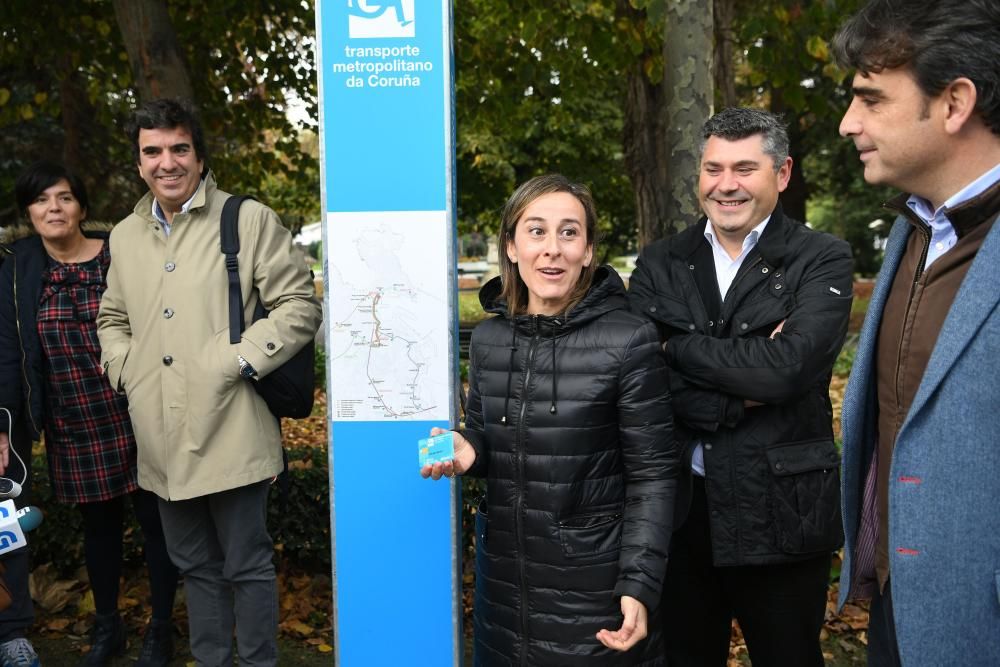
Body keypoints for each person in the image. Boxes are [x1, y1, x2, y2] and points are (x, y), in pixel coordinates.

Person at [96, 98, 322, 666]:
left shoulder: (247, 219)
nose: (166, 162)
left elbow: (298, 303)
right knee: (193, 565)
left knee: (246, 564)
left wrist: (237, 362)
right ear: (138, 160)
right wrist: (127, 373)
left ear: (198, 154)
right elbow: (112, 319)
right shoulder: (124, 235)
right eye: (152, 151)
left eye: (179, 148)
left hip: (232, 423)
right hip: (160, 432)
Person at [628, 107, 853, 667]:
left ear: (782, 174)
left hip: (781, 511)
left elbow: (787, 371)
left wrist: (675, 349)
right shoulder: (661, 262)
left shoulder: (820, 257)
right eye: (714, 168)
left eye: (745, 168)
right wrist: (747, 383)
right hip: (681, 516)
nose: (726, 185)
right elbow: (639, 380)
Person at [422, 174, 679, 665]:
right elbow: (487, 433)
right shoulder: (490, 339)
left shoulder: (629, 339)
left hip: (592, 589)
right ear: (512, 247)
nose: (552, 250)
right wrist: (468, 448)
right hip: (506, 588)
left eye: (569, 232)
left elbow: (654, 477)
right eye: (536, 231)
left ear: (587, 251)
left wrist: (639, 584)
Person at [833, 2, 1000, 665]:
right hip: (898, 612)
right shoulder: (909, 230)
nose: (849, 124)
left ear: (955, 101)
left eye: (871, 100)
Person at [0, 161, 180, 667]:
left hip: (139, 411)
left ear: (81, 206)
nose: (52, 209)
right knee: (98, 532)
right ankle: (109, 628)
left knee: (157, 524)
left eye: (63, 197)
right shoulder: (18, 268)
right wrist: (6, 424)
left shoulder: (120, 251)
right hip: (73, 421)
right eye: (41, 201)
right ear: (29, 212)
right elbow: (9, 351)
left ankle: (161, 629)